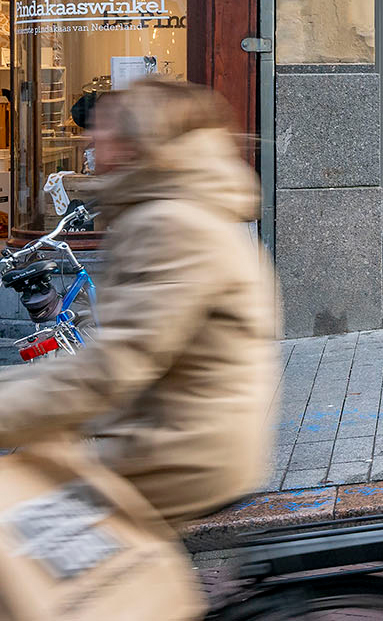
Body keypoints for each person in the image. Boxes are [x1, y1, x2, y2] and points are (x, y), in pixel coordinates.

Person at [0, 80, 280, 528]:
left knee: (23, 537)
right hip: (176, 440)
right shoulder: (168, 206)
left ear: (137, 140)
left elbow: (110, 371)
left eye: (104, 130)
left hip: (177, 458)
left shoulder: (172, 221)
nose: (91, 139)